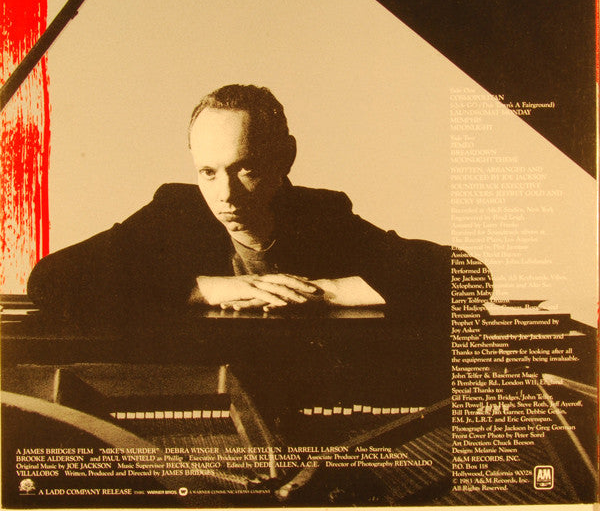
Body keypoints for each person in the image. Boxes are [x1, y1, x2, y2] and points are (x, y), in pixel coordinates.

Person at [27, 84, 491, 335]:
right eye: (208, 172)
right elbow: (50, 280)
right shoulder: (175, 210)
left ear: (285, 157)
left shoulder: (322, 214)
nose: (225, 194)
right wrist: (209, 288)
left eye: (244, 169)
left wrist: (320, 291)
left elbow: (470, 277)